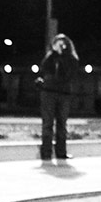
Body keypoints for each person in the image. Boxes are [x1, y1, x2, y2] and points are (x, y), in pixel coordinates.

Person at [36, 33, 80, 161]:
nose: (60, 45)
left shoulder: (71, 58)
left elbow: (69, 72)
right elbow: (44, 68)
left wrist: (63, 54)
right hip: (48, 92)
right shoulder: (50, 57)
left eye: (63, 43)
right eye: (57, 43)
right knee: (47, 123)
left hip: (63, 93)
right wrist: (54, 53)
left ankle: (61, 152)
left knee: (62, 124)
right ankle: (46, 153)